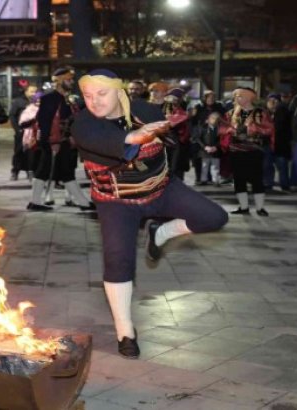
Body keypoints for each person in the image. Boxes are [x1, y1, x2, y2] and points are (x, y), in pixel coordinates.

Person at [72, 69, 228, 358]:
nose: (94, 102)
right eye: (88, 95)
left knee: (214, 217)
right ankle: (125, 331)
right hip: (117, 201)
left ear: (119, 92)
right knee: (119, 261)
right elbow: (109, 141)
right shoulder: (83, 123)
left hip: (161, 189)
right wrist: (135, 136)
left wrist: (169, 127)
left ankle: (162, 232)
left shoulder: (145, 109)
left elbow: (172, 135)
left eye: (101, 94)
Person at [27, 67, 92, 211]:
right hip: (53, 142)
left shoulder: (68, 98)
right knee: (44, 170)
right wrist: (51, 142)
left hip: (64, 141)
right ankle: (35, 202)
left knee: (66, 171)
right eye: (68, 79)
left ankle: (83, 202)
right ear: (59, 81)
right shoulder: (49, 98)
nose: (71, 82)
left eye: (71, 79)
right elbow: (45, 122)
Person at [220, 87, 274, 216]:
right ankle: (243, 207)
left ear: (248, 97)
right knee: (239, 179)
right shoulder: (231, 113)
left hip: (254, 150)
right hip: (236, 151)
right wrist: (230, 131)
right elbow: (221, 129)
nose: (236, 98)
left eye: (239, 96)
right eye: (236, 96)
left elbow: (269, 130)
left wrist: (253, 129)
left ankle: (260, 208)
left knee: (257, 179)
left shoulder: (260, 113)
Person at [9, 84, 37, 181]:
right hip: (21, 131)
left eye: (35, 91)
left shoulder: (37, 102)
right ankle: (15, 171)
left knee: (31, 153)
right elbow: (12, 116)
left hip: (33, 132)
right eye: (31, 91)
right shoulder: (18, 102)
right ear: (26, 91)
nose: (34, 93)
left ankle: (30, 171)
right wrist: (17, 129)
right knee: (18, 152)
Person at [266, 93, 293, 191]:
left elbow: (285, 128)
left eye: (275, 101)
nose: (273, 103)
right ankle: (268, 183)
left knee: (282, 164)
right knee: (267, 164)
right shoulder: (263, 113)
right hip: (267, 143)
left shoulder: (283, 112)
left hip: (281, 143)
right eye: (270, 101)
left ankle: (284, 184)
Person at [163, 88, 191, 180]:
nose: (174, 101)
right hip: (165, 139)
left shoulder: (183, 111)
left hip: (179, 141)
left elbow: (182, 125)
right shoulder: (163, 109)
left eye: (177, 98)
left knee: (176, 166)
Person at [192, 111, 222, 186]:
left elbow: (221, 139)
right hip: (204, 150)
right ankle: (203, 179)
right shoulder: (203, 128)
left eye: (216, 119)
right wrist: (204, 147)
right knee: (204, 166)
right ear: (208, 119)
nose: (214, 120)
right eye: (213, 118)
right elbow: (198, 139)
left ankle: (216, 180)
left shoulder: (219, 129)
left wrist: (216, 147)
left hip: (215, 150)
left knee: (215, 166)